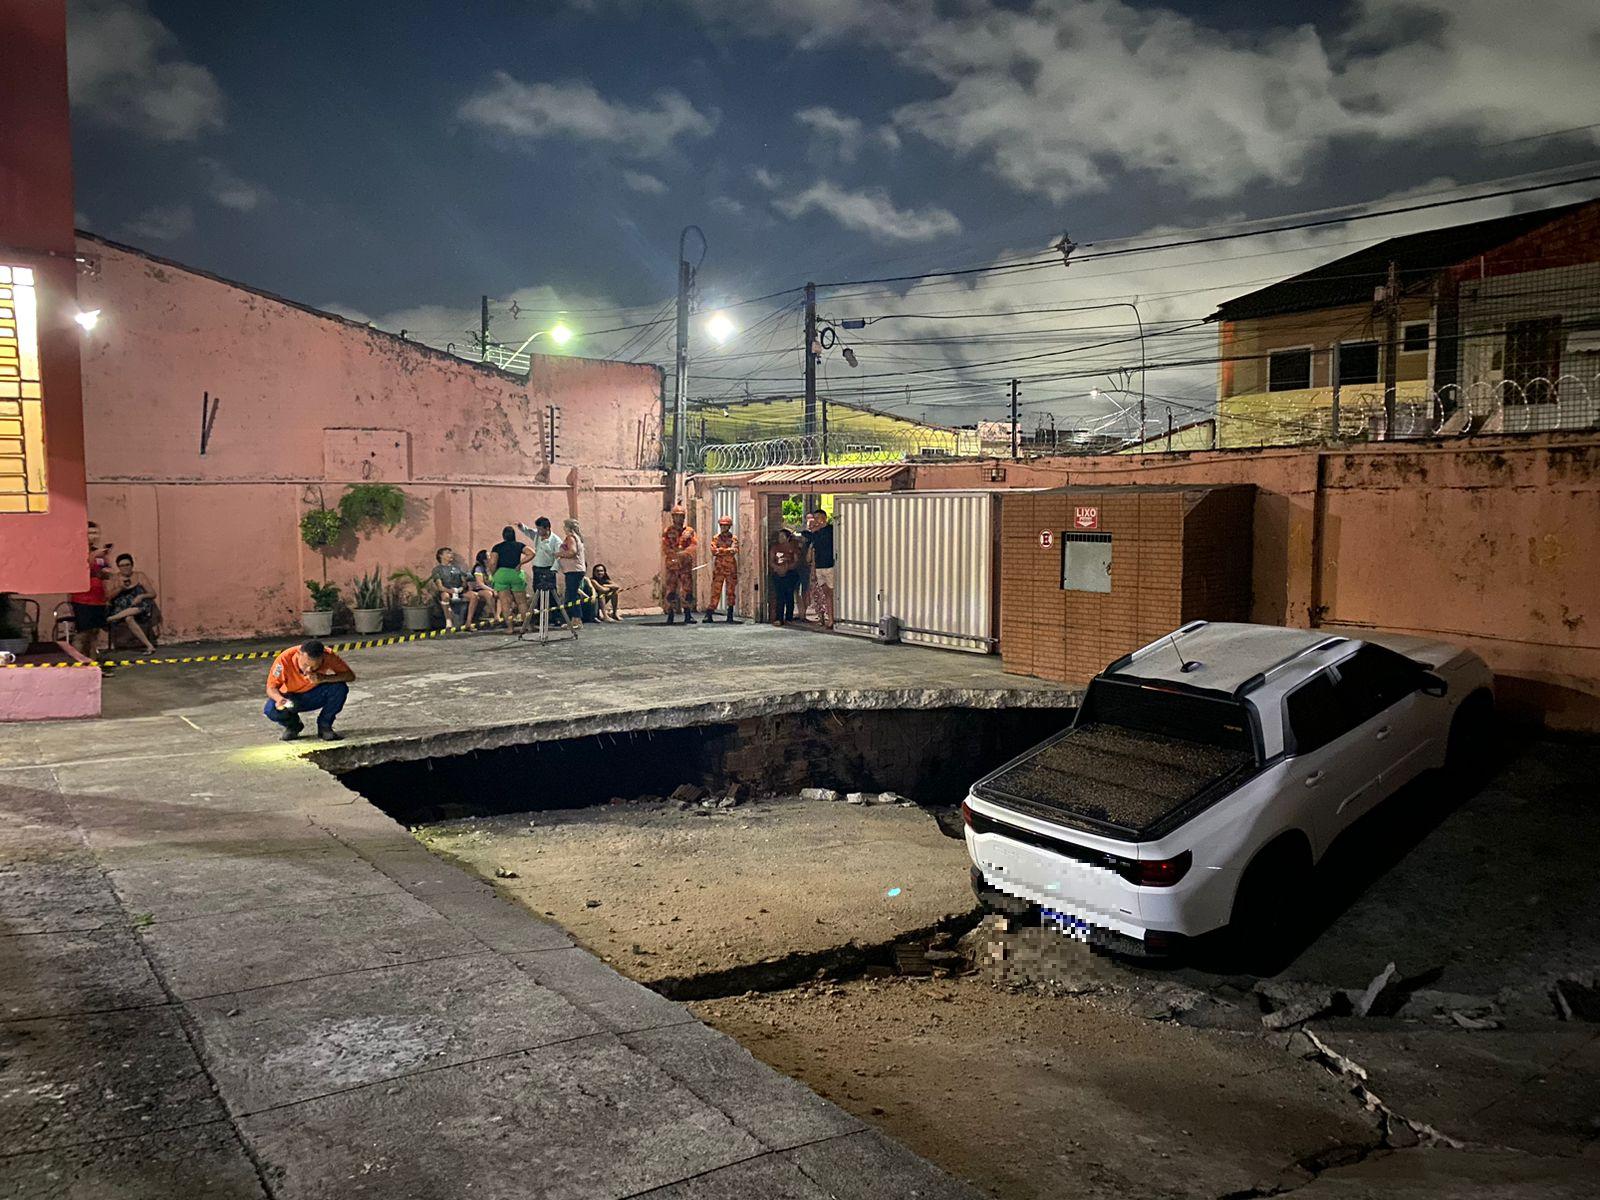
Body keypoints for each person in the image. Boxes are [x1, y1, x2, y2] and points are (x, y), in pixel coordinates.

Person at [263, 639, 356, 742]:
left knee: (339, 688)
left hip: (315, 694)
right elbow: (271, 688)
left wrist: (324, 678)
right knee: (271, 710)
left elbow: (350, 676)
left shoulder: (329, 655)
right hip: (291, 698)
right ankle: (293, 726)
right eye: (305, 665)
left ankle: (325, 726)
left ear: (322, 658)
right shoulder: (284, 660)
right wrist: (279, 699)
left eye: (314, 667)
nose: (308, 670)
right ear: (299, 654)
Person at [65, 522, 113, 663]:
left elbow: (105, 572)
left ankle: (93, 664)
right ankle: (77, 664)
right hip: (82, 599)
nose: (94, 537)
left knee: (94, 633)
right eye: (90, 533)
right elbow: (80, 570)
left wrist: (106, 573)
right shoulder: (77, 552)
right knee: (82, 633)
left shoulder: (99, 554)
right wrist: (93, 556)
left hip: (98, 598)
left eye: (96, 533)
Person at [521, 516, 574, 631]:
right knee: (537, 594)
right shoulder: (537, 536)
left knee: (552, 595)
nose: (538, 531)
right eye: (538, 529)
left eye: (540, 529)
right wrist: (521, 527)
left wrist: (553, 570)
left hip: (548, 569)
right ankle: (542, 618)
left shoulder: (556, 541)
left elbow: (558, 557)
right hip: (537, 569)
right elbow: (529, 532)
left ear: (548, 528)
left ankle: (557, 618)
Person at [107, 552, 158, 653]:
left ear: (132, 565)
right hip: (122, 607)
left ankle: (111, 618)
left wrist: (141, 596)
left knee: (138, 608)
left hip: (139, 607)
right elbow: (109, 596)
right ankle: (149, 646)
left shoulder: (139, 576)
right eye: (122, 566)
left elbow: (152, 593)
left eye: (127, 565)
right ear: (118, 567)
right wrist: (120, 588)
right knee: (129, 618)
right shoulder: (115, 578)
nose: (125, 568)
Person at [661, 503, 698, 624]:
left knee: (687, 590)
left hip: (685, 566)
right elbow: (665, 546)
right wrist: (674, 554)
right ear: (673, 517)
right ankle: (670, 614)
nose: (679, 519)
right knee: (671, 590)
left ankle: (687, 614)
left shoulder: (689, 531)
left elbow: (693, 545)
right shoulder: (668, 531)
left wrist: (684, 553)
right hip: (672, 565)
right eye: (676, 516)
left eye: (681, 516)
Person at [489, 526, 532, 629]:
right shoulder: (519, 545)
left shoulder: (497, 547)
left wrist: (494, 573)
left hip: (501, 574)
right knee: (521, 602)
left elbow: (493, 562)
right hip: (516, 573)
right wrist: (521, 563)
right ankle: (527, 626)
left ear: (503, 536)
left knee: (505, 603)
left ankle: (510, 628)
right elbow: (532, 553)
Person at [430, 547, 482, 629]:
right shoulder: (437, 570)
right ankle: (448, 621)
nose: (451, 555)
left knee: (474, 596)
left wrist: (461, 588)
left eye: (451, 553)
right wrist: (451, 591)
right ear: (441, 556)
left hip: (459, 591)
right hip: (447, 591)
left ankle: (468, 622)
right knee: (445, 596)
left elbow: (464, 581)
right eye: (448, 553)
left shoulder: (457, 568)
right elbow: (440, 587)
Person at [802, 507, 836, 629]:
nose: (815, 521)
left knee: (832, 593)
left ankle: (832, 618)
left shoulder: (830, 530)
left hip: (829, 566)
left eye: (817, 518)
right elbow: (805, 534)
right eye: (814, 518)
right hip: (819, 566)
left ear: (824, 518)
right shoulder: (816, 534)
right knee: (826, 593)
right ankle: (830, 618)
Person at [704, 515, 739, 623]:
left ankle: (730, 614)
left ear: (729, 526)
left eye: (726, 526)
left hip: (730, 569)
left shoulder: (734, 538)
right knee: (715, 591)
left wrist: (721, 551)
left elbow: (735, 550)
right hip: (719, 569)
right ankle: (709, 613)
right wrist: (727, 551)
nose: (724, 528)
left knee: (730, 591)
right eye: (722, 525)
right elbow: (714, 551)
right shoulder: (716, 538)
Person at [558, 518, 591, 623]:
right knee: (572, 593)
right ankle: (574, 619)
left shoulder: (570, 538)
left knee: (573, 595)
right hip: (575, 569)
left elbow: (572, 552)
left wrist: (559, 554)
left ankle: (577, 619)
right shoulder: (577, 538)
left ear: (567, 527)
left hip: (573, 570)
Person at [769, 528, 801, 626]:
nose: (780, 538)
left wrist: (787, 568)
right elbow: (771, 560)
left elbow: (796, 561)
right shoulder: (775, 547)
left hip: (790, 573)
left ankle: (789, 617)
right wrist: (777, 568)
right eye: (779, 536)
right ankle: (779, 618)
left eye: (782, 536)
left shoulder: (792, 547)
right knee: (779, 596)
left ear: (788, 538)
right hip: (777, 573)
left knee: (789, 595)